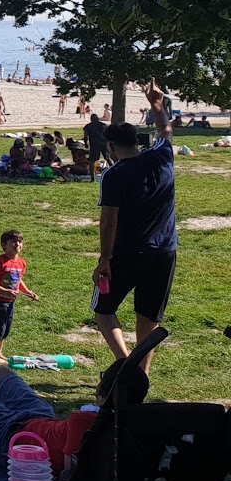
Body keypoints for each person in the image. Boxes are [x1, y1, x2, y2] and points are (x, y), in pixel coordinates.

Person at [0, 357, 148, 474]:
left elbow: (68, 478)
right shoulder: (135, 425)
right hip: (41, 420)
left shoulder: (83, 421)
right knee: (1, 373)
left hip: (9, 439)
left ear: (101, 389)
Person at [94, 81, 176, 373]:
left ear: (112, 147)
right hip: (165, 252)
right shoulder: (162, 158)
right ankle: (141, 373)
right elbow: (166, 132)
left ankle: (124, 363)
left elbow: (109, 220)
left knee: (103, 310)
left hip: (128, 253)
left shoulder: (114, 175)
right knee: (148, 317)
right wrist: (157, 105)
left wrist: (104, 259)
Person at [0, 230, 40, 364]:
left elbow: (19, 280)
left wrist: (28, 292)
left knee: (6, 328)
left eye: (20, 242)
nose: (17, 244)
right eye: (13, 242)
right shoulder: (0, 261)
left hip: (10, 301)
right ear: (4, 245)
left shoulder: (21, 263)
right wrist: (4, 290)